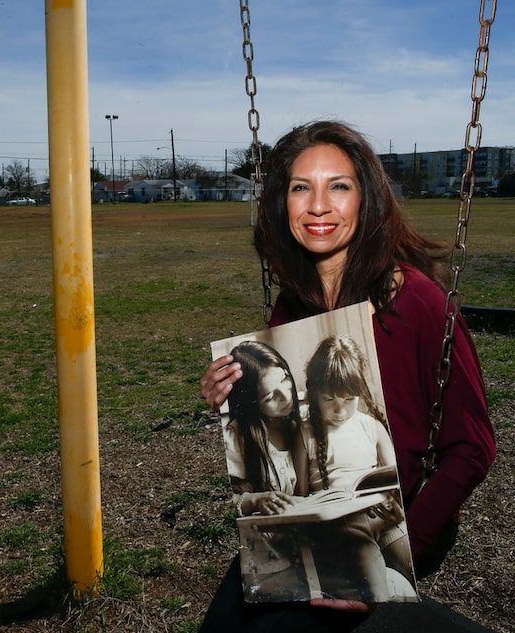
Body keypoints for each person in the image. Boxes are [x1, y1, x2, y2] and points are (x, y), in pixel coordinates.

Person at [199, 120, 496, 630]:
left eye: (339, 185)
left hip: (388, 532)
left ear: (368, 199)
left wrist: (392, 563)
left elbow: (471, 449)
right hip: (309, 518)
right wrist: (230, 391)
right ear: (280, 203)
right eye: (300, 187)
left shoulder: (421, 304)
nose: (318, 206)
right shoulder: (295, 306)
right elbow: (285, 424)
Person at [294, 334, 414, 601]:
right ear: (314, 393)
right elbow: (300, 497)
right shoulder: (306, 435)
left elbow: (394, 476)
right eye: (329, 400)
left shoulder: (371, 427)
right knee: (373, 582)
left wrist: (394, 501)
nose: (340, 410)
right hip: (344, 523)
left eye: (349, 399)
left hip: (382, 513)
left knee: (410, 560)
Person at [225, 340, 302, 517]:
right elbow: (220, 500)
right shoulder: (235, 438)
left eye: (285, 378)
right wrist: (255, 501)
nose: (286, 395)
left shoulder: (301, 423)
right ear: (252, 405)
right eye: (269, 396)